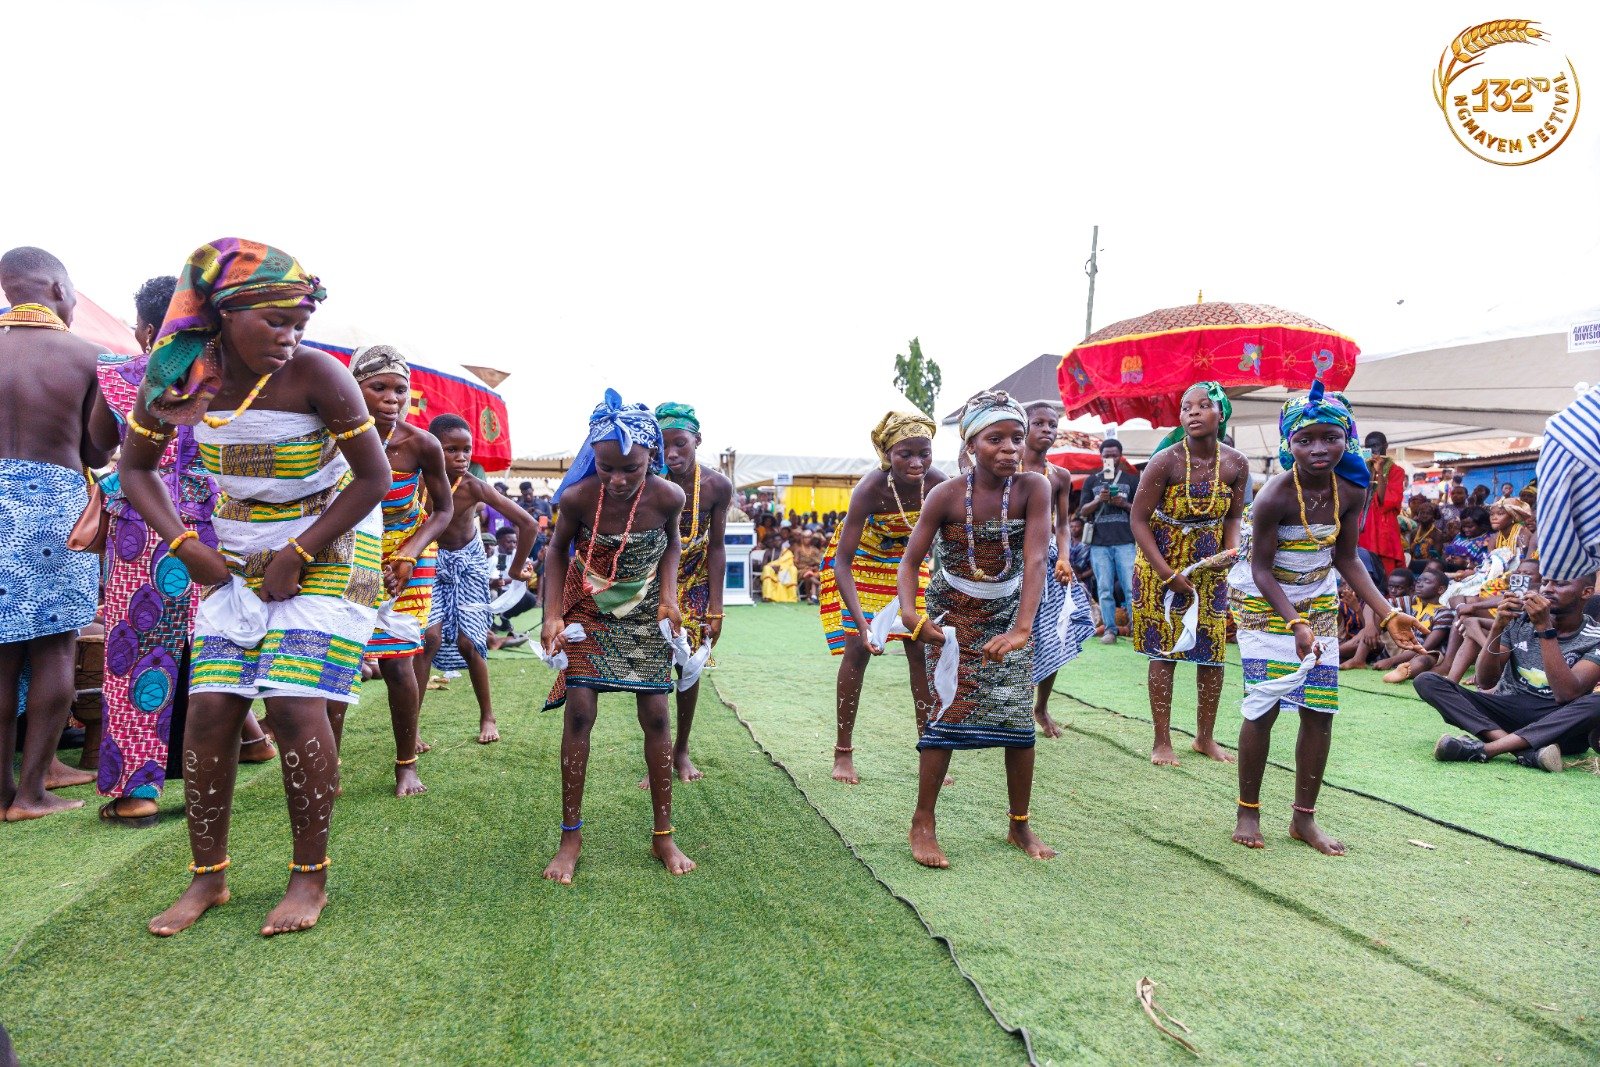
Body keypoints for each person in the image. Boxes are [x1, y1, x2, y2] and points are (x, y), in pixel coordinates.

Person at [119, 238, 389, 937]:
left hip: (333, 537)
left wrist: (298, 551)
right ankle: (208, 878)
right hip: (237, 545)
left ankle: (309, 876)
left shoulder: (318, 375)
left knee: (295, 704)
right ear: (226, 313)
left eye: (298, 321)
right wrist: (186, 543)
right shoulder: (185, 377)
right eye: (274, 320)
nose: (290, 335)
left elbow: (374, 477)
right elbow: (136, 468)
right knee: (211, 707)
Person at [88, 275, 278, 826]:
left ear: (150, 329)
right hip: (229, 524)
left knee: (139, 651)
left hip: (147, 526)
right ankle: (255, 742)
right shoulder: (239, 379)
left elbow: (102, 443)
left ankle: (136, 789)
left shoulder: (127, 377)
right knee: (225, 640)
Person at [1227, 382, 1424, 856]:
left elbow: (1348, 559)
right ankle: (1248, 810)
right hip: (1262, 602)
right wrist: (1293, 622)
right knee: (1264, 704)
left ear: (1347, 438)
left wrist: (1387, 611)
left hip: (1315, 598)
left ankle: (1303, 820)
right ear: (1287, 443)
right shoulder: (1274, 494)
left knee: (1319, 708)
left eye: (1330, 437)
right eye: (1305, 439)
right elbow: (1260, 569)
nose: (1318, 449)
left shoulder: (1353, 489)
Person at [540, 390, 694, 882]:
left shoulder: (668, 496)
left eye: (632, 468)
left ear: (653, 457)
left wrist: (669, 597)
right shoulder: (579, 497)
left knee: (656, 713)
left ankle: (663, 836)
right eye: (606, 468)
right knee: (580, 711)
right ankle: (571, 836)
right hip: (590, 608)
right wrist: (551, 615)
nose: (619, 479)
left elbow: (672, 545)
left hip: (647, 614)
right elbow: (556, 551)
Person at [896, 391, 1053, 867]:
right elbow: (909, 563)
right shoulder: (945, 495)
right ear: (970, 445)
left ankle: (1019, 825)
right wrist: (910, 615)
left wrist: (1023, 629)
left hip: (1009, 616)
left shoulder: (1033, 489)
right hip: (950, 621)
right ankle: (923, 822)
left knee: (1018, 723)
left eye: (1017, 439)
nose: (1009, 448)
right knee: (944, 715)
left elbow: (1035, 558)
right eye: (995, 439)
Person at [0, 247, 113, 821]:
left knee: (1, 654)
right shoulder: (86, 356)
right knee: (55, 647)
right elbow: (97, 449)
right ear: (54, 288)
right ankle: (31, 793)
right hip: (52, 505)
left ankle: (2, 793)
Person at [325, 346, 453, 797]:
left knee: (399, 665)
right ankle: (330, 767)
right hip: (350, 554)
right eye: (378, 387)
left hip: (408, 555)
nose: (391, 397)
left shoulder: (421, 445)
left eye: (400, 389)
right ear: (353, 389)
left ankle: (406, 765)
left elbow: (443, 511)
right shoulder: (331, 440)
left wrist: (411, 553)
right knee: (338, 658)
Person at [819, 411, 948, 785]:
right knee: (858, 652)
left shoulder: (938, 482)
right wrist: (861, 624)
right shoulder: (870, 488)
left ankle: (928, 746)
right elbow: (842, 561)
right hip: (859, 566)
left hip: (908, 567)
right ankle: (843, 753)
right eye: (905, 453)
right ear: (887, 454)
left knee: (920, 653)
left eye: (924, 453)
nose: (916, 462)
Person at [1130, 383, 1250, 765]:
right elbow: (1138, 519)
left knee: (1211, 652)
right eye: (1186, 408)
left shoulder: (1236, 463)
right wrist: (1167, 573)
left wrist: (1230, 552)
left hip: (1209, 565)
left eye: (1203, 406)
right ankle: (1161, 740)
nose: (1193, 413)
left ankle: (1205, 738)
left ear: (1221, 415)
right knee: (1164, 651)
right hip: (1159, 563)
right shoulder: (1165, 460)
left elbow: (1233, 517)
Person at [423, 414, 536, 744]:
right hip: (431, 558)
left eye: (466, 449)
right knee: (427, 640)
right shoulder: (417, 483)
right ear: (432, 449)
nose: (461, 457)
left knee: (469, 642)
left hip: (470, 561)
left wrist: (515, 570)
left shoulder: (473, 486)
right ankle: (410, 730)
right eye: (451, 449)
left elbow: (527, 524)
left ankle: (488, 716)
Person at [1421, 570, 1600, 772]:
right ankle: (1523, 752)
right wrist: (1498, 626)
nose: (1548, 589)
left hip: (1559, 726)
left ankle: (1487, 749)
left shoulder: (1595, 636)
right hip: (1507, 710)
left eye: (1560, 584)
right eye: (1545, 582)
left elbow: (1566, 695)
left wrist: (1544, 629)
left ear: (1586, 592)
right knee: (1427, 681)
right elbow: (1486, 681)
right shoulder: (1521, 622)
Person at [648, 401, 731, 784]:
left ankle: (680, 750)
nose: (671, 454)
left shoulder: (716, 486)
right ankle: (659, 752)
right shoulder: (648, 481)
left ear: (698, 440)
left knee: (689, 665)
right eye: (662, 445)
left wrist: (716, 608)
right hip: (652, 581)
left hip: (695, 581)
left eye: (680, 444)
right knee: (654, 667)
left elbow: (716, 546)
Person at [1020, 403, 1093, 739]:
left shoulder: (1059, 476)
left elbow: (1062, 525)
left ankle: (1040, 706)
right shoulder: (1007, 467)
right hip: (1008, 560)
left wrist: (1064, 558)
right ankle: (1004, 706)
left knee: (1054, 634)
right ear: (1025, 426)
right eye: (1039, 423)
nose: (1046, 430)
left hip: (1047, 561)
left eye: (1052, 424)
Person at [1078, 437, 1140, 643]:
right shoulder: (1092, 480)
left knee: (1131, 587)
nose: (1110, 460)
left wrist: (1123, 503)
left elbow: (1141, 511)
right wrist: (1098, 500)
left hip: (1125, 541)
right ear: (1101, 457)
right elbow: (1082, 512)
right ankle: (1110, 630)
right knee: (1104, 588)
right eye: (1106, 456)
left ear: (1121, 457)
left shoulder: (1132, 479)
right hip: (1099, 543)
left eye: (1114, 456)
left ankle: (1136, 629)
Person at [1375, 568, 1450, 682]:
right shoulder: (1411, 601)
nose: (1419, 585)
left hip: (1423, 651)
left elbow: (1426, 647)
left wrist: (1391, 661)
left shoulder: (1445, 612)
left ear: (1440, 589)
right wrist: (1371, 628)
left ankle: (1402, 671)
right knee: (1369, 634)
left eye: (1427, 582)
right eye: (1419, 581)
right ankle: (1357, 658)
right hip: (1402, 646)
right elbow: (1377, 603)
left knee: (1424, 660)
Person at [1358, 431, 1406, 576]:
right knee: (1363, 566)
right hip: (1363, 526)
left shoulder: (1396, 471)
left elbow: (1386, 501)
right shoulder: (1362, 469)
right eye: (1369, 447)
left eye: (1376, 446)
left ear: (1385, 446)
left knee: (1385, 570)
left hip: (1383, 525)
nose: (1373, 451)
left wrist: (1379, 472)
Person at [488, 527, 538, 644]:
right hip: (495, 589)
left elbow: (529, 567)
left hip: (511, 590)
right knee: (493, 594)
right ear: (499, 541)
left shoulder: (516, 552)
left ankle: (504, 617)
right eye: (509, 541)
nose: (513, 545)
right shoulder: (491, 552)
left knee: (530, 599)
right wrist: (516, 577)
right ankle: (489, 623)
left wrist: (540, 560)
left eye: (515, 542)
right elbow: (492, 581)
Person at [794, 530, 824, 604]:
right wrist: (807, 567)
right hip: (802, 570)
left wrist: (815, 566)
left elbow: (820, 561)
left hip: (814, 570)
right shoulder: (798, 549)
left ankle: (813, 597)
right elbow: (796, 563)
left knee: (816, 574)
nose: (807, 539)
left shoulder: (814, 549)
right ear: (802, 538)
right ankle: (817, 587)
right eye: (805, 537)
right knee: (809, 574)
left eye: (809, 537)